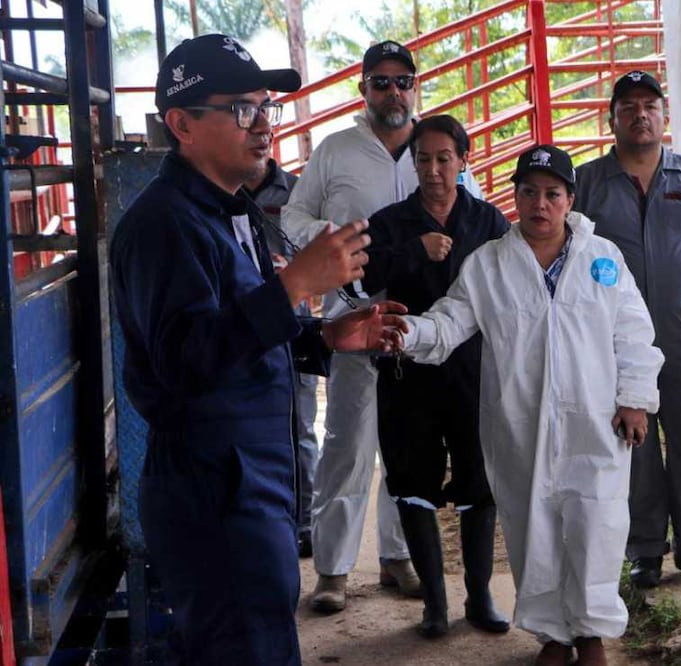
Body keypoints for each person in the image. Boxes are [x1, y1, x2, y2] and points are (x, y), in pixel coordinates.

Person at [109, 34, 407, 664]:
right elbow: (184, 362)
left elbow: (236, 331)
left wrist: (322, 337)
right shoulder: (164, 225)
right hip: (213, 490)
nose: (264, 125)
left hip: (250, 482)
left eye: (266, 107)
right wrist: (295, 284)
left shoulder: (227, 212)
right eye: (242, 110)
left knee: (264, 638)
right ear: (182, 124)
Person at [394, 144, 664, 666]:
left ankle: (590, 635)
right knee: (531, 528)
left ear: (569, 200)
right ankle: (552, 636)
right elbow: (448, 324)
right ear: (514, 197)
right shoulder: (489, 265)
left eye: (552, 194)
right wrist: (403, 333)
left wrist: (635, 400)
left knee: (597, 526)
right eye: (529, 192)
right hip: (520, 426)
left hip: (595, 422)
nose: (540, 204)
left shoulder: (602, 259)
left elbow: (633, 334)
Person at [573, 70, 681, 589]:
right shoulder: (587, 183)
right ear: (612, 119)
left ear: (664, 115)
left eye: (650, 105)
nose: (640, 114)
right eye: (628, 106)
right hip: (613, 341)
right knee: (634, 441)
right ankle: (644, 547)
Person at [283, 39, 424, 610]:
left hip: (419, 324)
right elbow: (293, 215)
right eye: (381, 81)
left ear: (417, 86)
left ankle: (397, 559)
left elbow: (467, 213)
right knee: (348, 443)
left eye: (403, 80)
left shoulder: (435, 150)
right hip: (349, 319)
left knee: (407, 445)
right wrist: (332, 246)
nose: (393, 91)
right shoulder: (336, 151)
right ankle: (334, 572)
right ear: (362, 89)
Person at [363, 115, 511, 638]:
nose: (433, 170)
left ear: (463, 161)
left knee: (480, 480)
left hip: (474, 375)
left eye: (444, 158)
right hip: (407, 376)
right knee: (411, 482)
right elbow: (363, 280)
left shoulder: (489, 222)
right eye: (423, 159)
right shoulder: (387, 224)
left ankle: (479, 596)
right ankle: (433, 604)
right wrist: (414, 250)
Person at [242, 156, 319, 558]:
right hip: (241, 327)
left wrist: (290, 268)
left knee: (301, 427)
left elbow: (315, 247)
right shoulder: (219, 192)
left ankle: (307, 523)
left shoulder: (296, 191)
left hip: (293, 326)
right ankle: (269, 522)